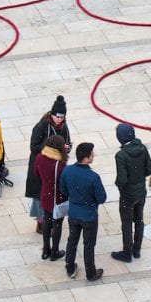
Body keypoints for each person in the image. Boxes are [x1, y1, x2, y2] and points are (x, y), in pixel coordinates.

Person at [61, 142, 107, 282]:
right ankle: (90, 273)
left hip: (73, 213)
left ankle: (69, 267)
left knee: (72, 240)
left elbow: (63, 190)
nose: (94, 156)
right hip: (89, 216)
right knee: (88, 245)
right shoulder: (93, 177)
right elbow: (102, 198)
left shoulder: (67, 171)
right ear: (86, 158)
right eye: (92, 154)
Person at [26, 96, 71, 233]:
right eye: (57, 117)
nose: (59, 120)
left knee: (55, 192)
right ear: (51, 114)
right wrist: (52, 147)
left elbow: (68, 141)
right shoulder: (41, 127)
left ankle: (53, 217)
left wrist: (67, 148)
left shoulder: (64, 127)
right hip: (41, 164)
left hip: (57, 165)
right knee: (41, 194)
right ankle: (41, 222)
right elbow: (34, 146)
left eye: (61, 117)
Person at [112, 123, 151, 263]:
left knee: (126, 223)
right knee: (139, 220)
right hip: (141, 192)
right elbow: (150, 169)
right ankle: (137, 250)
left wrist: (119, 186)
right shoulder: (142, 148)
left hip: (128, 195)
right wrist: (138, 177)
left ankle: (127, 252)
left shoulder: (121, 155)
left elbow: (122, 179)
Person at [35, 133, 68, 261]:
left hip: (45, 195)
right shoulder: (60, 165)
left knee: (47, 222)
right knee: (57, 224)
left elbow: (36, 174)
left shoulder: (39, 157)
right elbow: (63, 183)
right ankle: (55, 251)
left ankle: (45, 250)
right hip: (57, 198)